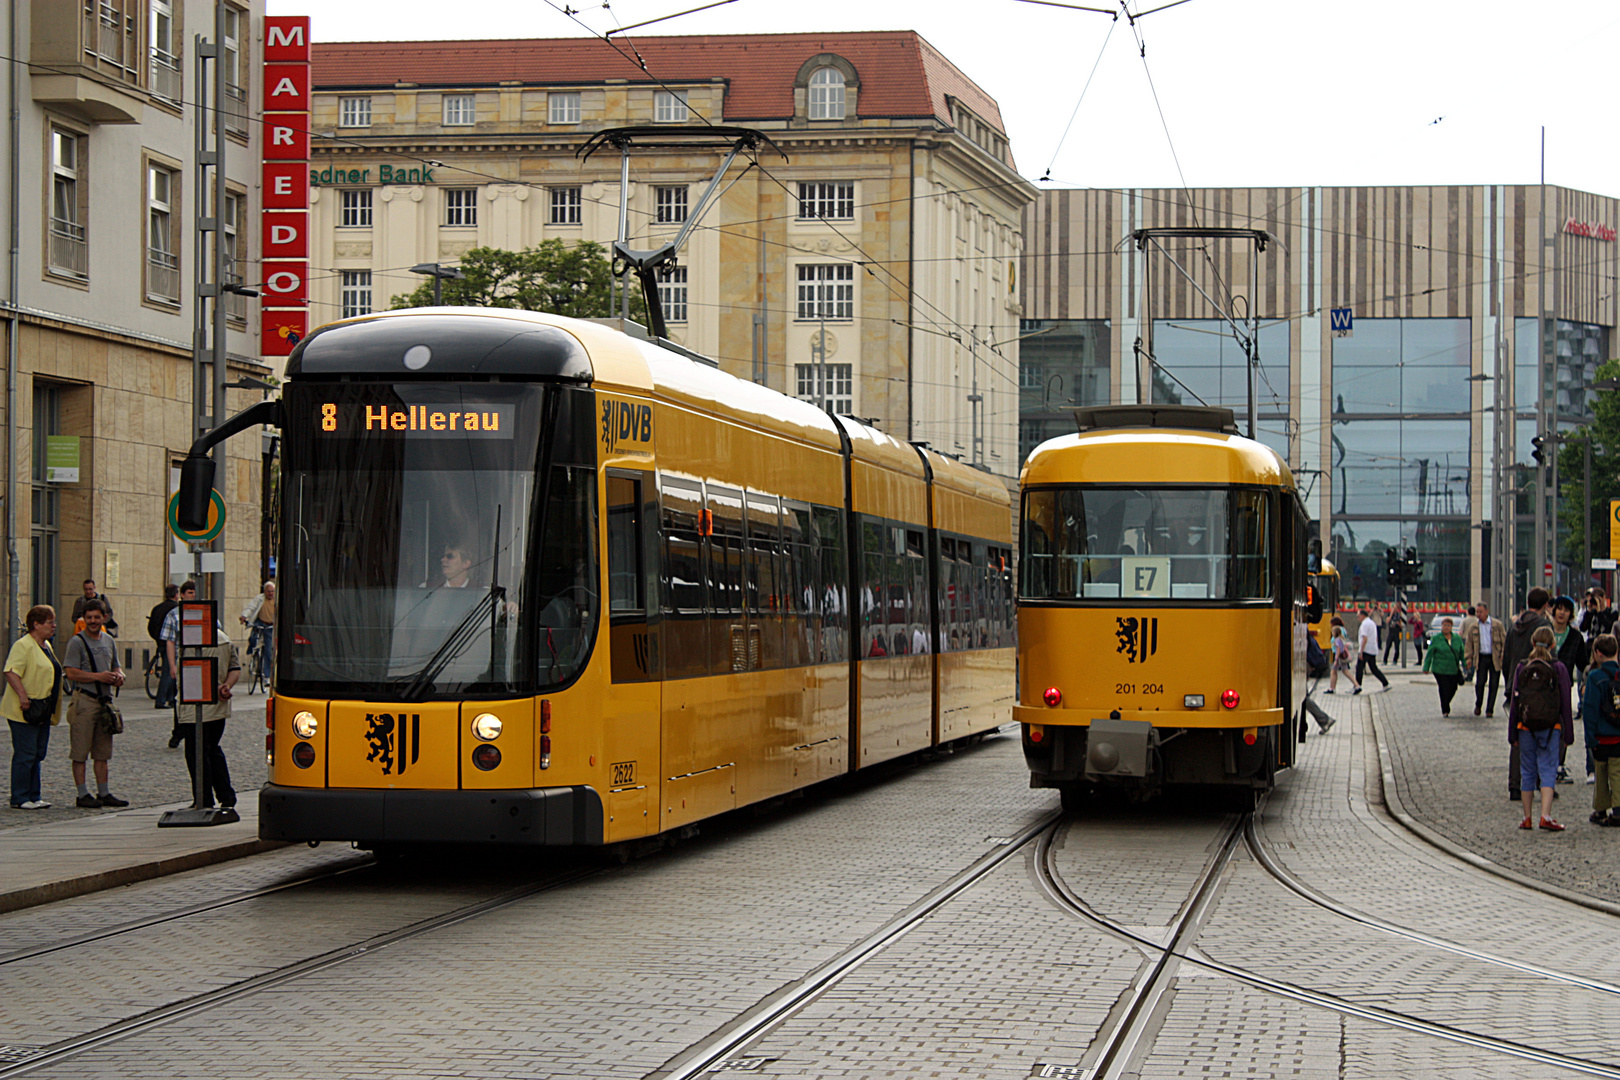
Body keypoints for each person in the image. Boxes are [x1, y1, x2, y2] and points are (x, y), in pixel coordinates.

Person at [62, 600, 128, 808]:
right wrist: (98, 677)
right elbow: (70, 672)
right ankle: (82, 794)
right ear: (84, 619)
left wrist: (119, 676)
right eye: (89, 617)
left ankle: (104, 792)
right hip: (84, 700)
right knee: (80, 751)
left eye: (96, 617)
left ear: (104, 618)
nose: (92, 621)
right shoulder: (76, 642)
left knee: (102, 752)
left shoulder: (108, 640)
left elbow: (116, 667)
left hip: (104, 702)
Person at [1508, 625, 1572, 831]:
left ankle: (1527, 818)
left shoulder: (1521, 667)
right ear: (1553, 644)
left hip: (1525, 727)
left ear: (1532, 643)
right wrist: (1568, 734)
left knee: (1527, 770)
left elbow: (1514, 702)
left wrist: (1512, 734)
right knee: (1548, 769)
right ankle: (1545, 815)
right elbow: (1565, 703)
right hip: (1550, 726)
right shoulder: (1558, 668)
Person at [4, 606, 65, 809]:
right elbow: (11, 672)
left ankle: (34, 794)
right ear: (36, 624)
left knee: (38, 753)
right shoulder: (23, 645)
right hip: (25, 708)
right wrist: (23, 696)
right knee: (26, 753)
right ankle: (20, 797)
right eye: (50, 622)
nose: (54, 626)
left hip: (43, 708)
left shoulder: (46, 645)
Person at [178, 623, 242, 816]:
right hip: (219, 705)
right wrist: (226, 686)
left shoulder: (194, 641)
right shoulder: (225, 639)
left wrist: (213, 687)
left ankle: (203, 799)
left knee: (196, 752)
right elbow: (235, 667)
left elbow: (193, 671)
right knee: (212, 749)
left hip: (196, 704)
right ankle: (226, 796)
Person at [1502, 587, 1552, 801]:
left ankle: (1515, 784)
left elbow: (1506, 658)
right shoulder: (1543, 625)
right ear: (1545, 605)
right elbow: (1551, 658)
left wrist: (1509, 681)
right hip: (1539, 686)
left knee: (1519, 734)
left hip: (1516, 683)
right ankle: (1543, 782)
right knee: (1544, 733)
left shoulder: (1514, 626)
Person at [1580, 633, 1620, 826]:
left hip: (1602, 737)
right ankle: (1618, 809)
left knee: (1601, 772)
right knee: (1617, 772)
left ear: (1597, 653)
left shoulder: (1595, 677)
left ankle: (1601, 809)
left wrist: (1590, 738)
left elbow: (1590, 710)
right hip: (1619, 736)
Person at [1550, 595, 1589, 784]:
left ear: (1570, 614)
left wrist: (1586, 680)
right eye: (1559, 609)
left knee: (1563, 725)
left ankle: (1558, 764)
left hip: (1564, 686)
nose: (1562, 613)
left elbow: (1582, 662)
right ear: (1554, 610)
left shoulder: (1575, 637)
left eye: (1566, 610)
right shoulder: (1544, 631)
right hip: (1543, 686)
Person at [161, 581, 197, 749]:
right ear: (182, 595)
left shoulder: (202, 613)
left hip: (199, 662)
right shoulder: (174, 615)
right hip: (181, 661)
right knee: (179, 700)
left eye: (194, 592)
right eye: (189, 592)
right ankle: (178, 732)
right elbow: (170, 641)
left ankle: (191, 730)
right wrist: (172, 666)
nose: (193, 595)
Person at [1464, 600, 1505, 718]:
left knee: (1494, 684)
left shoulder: (1497, 625)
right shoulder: (1474, 627)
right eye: (1477, 612)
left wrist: (1503, 654)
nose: (1478, 614)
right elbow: (1469, 644)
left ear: (1487, 611)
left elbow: (1504, 641)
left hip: (1494, 657)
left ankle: (1490, 709)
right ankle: (1478, 704)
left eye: (1481, 611)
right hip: (1481, 657)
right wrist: (1468, 658)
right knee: (1480, 683)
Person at [1422, 617, 1467, 717]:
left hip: (1453, 669)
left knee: (1453, 688)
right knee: (1443, 688)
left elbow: (1461, 653)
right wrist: (1426, 667)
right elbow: (1430, 653)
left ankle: (1446, 702)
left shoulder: (1457, 638)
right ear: (1441, 627)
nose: (1446, 627)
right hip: (1440, 669)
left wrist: (1465, 664)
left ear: (1451, 627)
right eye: (1444, 625)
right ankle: (1445, 709)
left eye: (1448, 625)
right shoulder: (1436, 638)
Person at [148, 584, 179, 710]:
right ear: (176, 595)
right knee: (168, 671)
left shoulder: (157, 608)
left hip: (160, 643)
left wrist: (157, 638)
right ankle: (160, 700)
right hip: (171, 643)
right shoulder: (175, 610)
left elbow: (150, 627)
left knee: (170, 670)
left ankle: (171, 698)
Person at [240, 580, 276, 687]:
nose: (271, 594)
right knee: (253, 638)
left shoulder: (277, 600)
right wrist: (244, 615)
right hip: (260, 622)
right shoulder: (259, 599)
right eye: (269, 591)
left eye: (273, 591)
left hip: (270, 626)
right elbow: (251, 608)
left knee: (268, 651)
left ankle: (267, 677)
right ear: (264, 591)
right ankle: (252, 649)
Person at [1355, 608, 1390, 691]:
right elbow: (1376, 637)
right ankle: (1385, 683)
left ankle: (1357, 686)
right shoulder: (1372, 623)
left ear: (1363, 616)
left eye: (1358, 616)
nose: (1358, 618)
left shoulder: (1364, 624)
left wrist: (1361, 651)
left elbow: (1364, 638)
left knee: (1359, 668)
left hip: (1365, 649)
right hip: (1372, 649)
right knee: (1373, 668)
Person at [1327, 623, 1360, 694]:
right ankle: (1356, 685)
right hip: (1343, 658)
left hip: (1339, 658)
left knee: (1334, 671)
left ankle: (1332, 688)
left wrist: (1336, 660)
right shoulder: (1341, 638)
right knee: (1344, 671)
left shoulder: (1337, 640)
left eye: (1332, 632)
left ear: (1335, 633)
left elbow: (1338, 650)